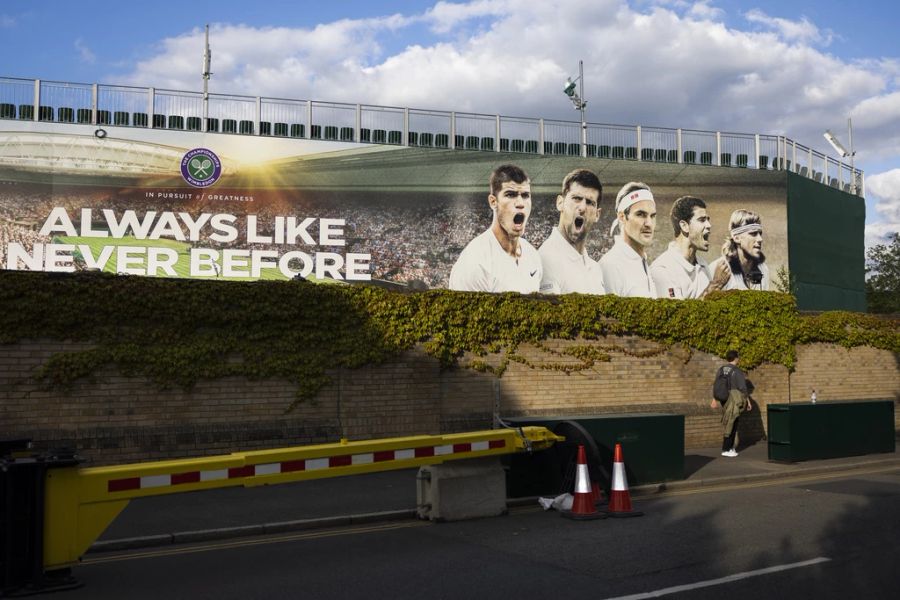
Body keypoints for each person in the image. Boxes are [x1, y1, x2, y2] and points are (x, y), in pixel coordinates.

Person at [449, 164, 542, 293]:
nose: (520, 203)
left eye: (525, 195)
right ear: (493, 202)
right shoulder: (475, 261)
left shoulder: (533, 256)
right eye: (510, 195)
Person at [538, 169, 604, 294]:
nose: (583, 208)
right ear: (560, 203)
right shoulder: (546, 259)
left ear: (597, 214)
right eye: (577, 198)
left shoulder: (595, 268)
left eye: (590, 202)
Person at [650, 195, 727, 299]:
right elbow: (677, 314)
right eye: (702, 220)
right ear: (684, 226)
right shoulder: (662, 270)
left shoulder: (703, 265)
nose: (709, 225)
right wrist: (715, 285)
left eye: (708, 220)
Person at [598, 181, 657, 297]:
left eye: (652, 216)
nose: (649, 223)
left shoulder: (642, 262)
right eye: (641, 214)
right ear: (622, 217)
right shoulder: (610, 266)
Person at [708, 209, 770, 291]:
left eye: (760, 234)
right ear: (737, 238)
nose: (760, 239)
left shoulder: (763, 269)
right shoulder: (719, 269)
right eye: (753, 234)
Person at [711, 350, 753, 457]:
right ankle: (726, 449)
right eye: (738, 357)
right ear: (735, 358)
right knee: (732, 423)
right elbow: (743, 388)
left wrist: (714, 399)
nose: (739, 359)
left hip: (724, 398)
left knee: (729, 421)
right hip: (734, 398)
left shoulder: (721, 369)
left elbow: (716, 384)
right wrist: (748, 402)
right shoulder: (737, 371)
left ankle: (730, 448)